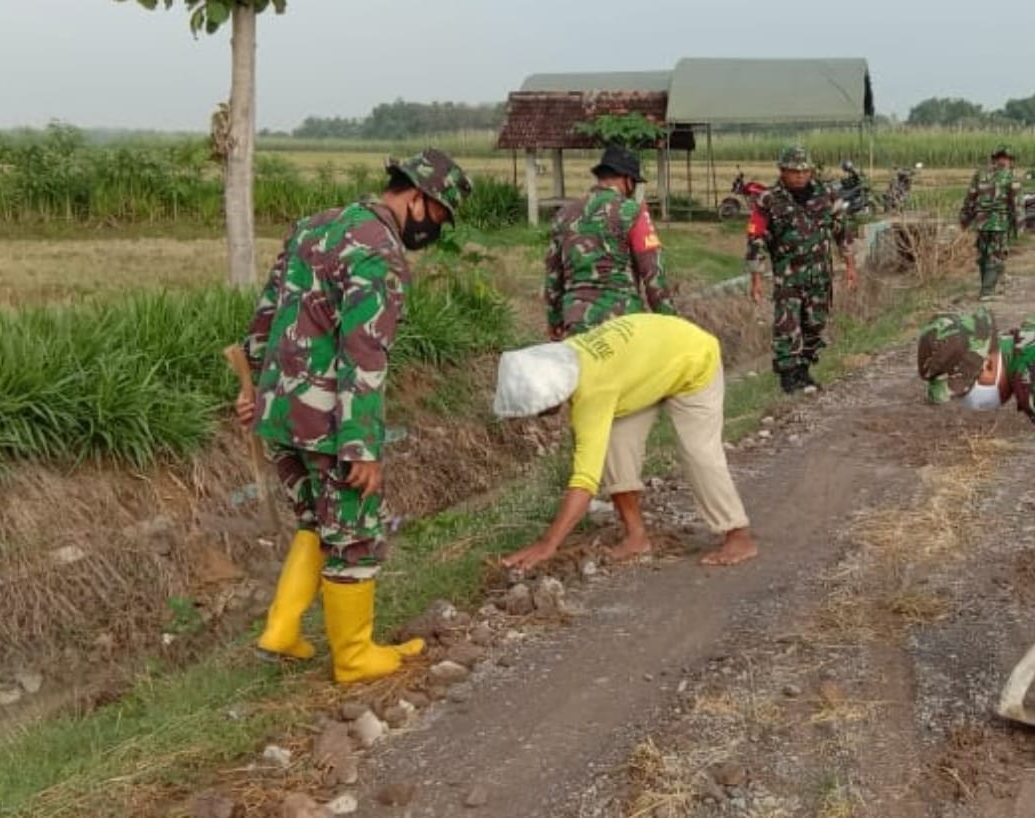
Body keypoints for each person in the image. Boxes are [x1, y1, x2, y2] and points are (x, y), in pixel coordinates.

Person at [235, 149, 473, 683]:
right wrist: (362, 447)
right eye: (436, 218)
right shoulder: (380, 254)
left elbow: (265, 316)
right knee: (355, 530)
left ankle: (282, 630)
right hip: (328, 423)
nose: (434, 231)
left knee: (315, 521)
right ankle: (354, 656)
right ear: (416, 197)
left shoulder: (315, 227)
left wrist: (253, 386)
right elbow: (364, 354)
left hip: (279, 410)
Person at [494, 313, 758, 572]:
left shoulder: (592, 391)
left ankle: (738, 535)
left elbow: (585, 482)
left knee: (699, 452)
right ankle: (636, 537)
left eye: (537, 407)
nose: (538, 414)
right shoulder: (565, 356)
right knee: (615, 444)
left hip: (693, 358)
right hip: (648, 366)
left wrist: (547, 544)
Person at [746, 145, 857, 394]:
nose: (799, 176)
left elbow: (842, 232)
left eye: (804, 171)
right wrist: (756, 279)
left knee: (815, 324)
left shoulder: (827, 195)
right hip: (788, 277)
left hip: (820, 275)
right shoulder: (768, 200)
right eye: (793, 171)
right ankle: (788, 376)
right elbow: (756, 241)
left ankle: (804, 370)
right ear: (782, 171)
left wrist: (850, 265)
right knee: (787, 326)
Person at [543, 144, 676, 341]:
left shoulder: (564, 214)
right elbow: (654, 274)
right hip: (622, 323)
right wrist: (671, 325)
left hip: (577, 322)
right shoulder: (633, 212)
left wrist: (554, 320)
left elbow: (553, 276)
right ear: (627, 180)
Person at [918, 306, 1035, 421]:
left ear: (988, 365)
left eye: (966, 389)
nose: (964, 398)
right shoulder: (1029, 329)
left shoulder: (1028, 379)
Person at [959, 145, 1021, 301]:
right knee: (997, 254)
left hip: (981, 222)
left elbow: (970, 198)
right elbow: (1016, 204)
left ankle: (990, 284)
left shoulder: (980, 174)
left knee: (984, 253)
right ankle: (988, 291)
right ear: (1008, 160)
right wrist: (1018, 227)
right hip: (999, 222)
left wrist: (964, 220)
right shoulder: (1011, 176)